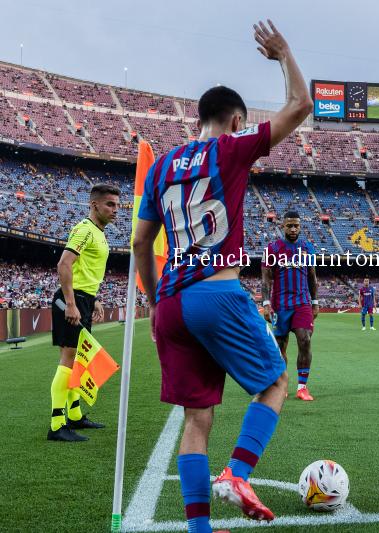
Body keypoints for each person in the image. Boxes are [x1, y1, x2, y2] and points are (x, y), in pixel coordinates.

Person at [133, 20, 312, 530]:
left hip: (170, 303)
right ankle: (237, 472)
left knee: (197, 417)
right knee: (276, 380)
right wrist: (283, 54)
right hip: (216, 291)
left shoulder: (163, 165)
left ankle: (199, 528)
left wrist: (150, 300)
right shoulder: (230, 149)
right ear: (235, 120)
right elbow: (300, 105)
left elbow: (142, 242)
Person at [48, 183, 119, 442]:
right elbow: (64, 264)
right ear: (94, 204)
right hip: (73, 300)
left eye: (117, 206)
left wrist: (94, 299)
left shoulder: (99, 233)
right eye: (110, 204)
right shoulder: (84, 230)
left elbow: (85, 271)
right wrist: (70, 302)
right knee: (68, 359)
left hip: (84, 299)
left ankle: (75, 415)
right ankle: (57, 424)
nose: (115, 210)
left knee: (80, 359)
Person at [262, 211, 319, 401]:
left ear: (300, 226)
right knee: (280, 346)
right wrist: (266, 304)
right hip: (280, 304)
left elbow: (312, 276)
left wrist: (315, 302)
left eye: (296, 225)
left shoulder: (307, 248)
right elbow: (266, 280)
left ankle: (302, 387)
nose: (293, 229)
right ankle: (282, 384)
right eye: (289, 225)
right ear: (282, 226)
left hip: (302, 302)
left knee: (305, 340)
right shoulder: (272, 248)